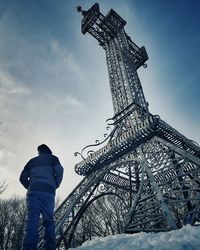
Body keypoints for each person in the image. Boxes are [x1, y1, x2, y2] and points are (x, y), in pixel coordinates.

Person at [19, 144, 64, 250]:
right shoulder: (53, 159)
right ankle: (50, 247)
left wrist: (30, 186)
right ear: (49, 151)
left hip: (33, 193)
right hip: (48, 193)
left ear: (39, 152)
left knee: (31, 221)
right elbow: (60, 171)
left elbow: (22, 177)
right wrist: (55, 185)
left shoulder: (31, 161)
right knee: (49, 220)